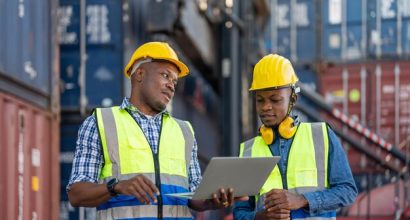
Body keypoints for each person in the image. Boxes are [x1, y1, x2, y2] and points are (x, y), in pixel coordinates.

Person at [67, 41, 239, 219]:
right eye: (165, 75)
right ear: (140, 74)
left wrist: (210, 201)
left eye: (174, 81)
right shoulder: (101, 123)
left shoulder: (184, 132)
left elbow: (193, 194)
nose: (171, 85)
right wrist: (116, 186)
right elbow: (76, 193)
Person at [233, 54, 357, 219]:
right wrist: (259, 217)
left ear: (293, 99)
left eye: (275, 100)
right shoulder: (248, 151)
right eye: (260, 100)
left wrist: (302, 200)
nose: (266, 107)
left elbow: (347, 190)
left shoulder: (321, 136)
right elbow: (240, 212)